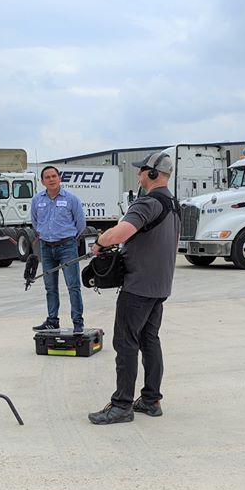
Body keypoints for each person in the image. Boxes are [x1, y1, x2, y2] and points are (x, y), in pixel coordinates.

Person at [87, 151, 180, 425]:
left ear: (152, 174)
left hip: (138, 286)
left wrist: (100, 243)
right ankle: (151, 400)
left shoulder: (147, 203)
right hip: (160, 285)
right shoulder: (174, 204)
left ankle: (121, 405)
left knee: (125, 342)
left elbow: (121, 232)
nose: (138, 175)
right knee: (149, 340)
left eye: (141, 171)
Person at [31, 165, 87, 333]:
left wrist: (70, 240)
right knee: (50, 287)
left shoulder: (71, 199)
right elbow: (35, 222)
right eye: (47, 177)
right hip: (46, 248)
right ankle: (52, 320)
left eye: (54, 176)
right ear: (42, 182)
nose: (51, 179)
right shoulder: (37, 200)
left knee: (73, 286)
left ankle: (78, 322)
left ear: (59, 178)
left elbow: (81, 224)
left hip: (67, 247)